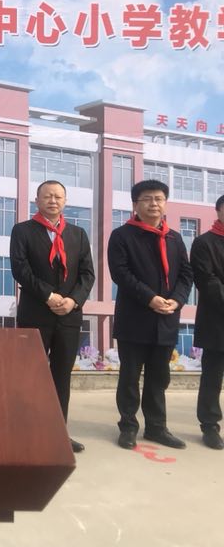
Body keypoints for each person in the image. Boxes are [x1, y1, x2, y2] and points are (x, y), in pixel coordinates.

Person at [10, 180, 95, 453]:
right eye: (47, 196)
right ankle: (25, 432)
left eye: (58, 196)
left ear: (65, 201)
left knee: (61, 377)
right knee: (29, 376)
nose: (53, 200)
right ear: (37, 201)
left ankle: (58, 433)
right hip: (35, 313)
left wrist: (73, 300)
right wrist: (48, 295)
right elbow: (20, 269)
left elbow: (87, 274)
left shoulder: (78, 234)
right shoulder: (22, 230)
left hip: (68, 317)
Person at [108, 180, 193, 450]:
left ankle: (156, 427)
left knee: (159, 378)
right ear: (136, 204)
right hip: (134, 319)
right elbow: (121, 273)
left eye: (159, 199)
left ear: (165, 203)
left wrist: (177, 300)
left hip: (166, 319)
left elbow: (186, 275)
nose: (154, 203)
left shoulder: (174, 238)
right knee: (130, 377)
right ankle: (128, 427)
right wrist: (150, 298)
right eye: (147, 199)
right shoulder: (122, 236)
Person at [190, 194, 224, 450]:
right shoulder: (204, 243)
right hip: (217, 322)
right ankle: (210, 425)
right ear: (218, 211)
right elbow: (207, 282)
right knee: (212, 376)